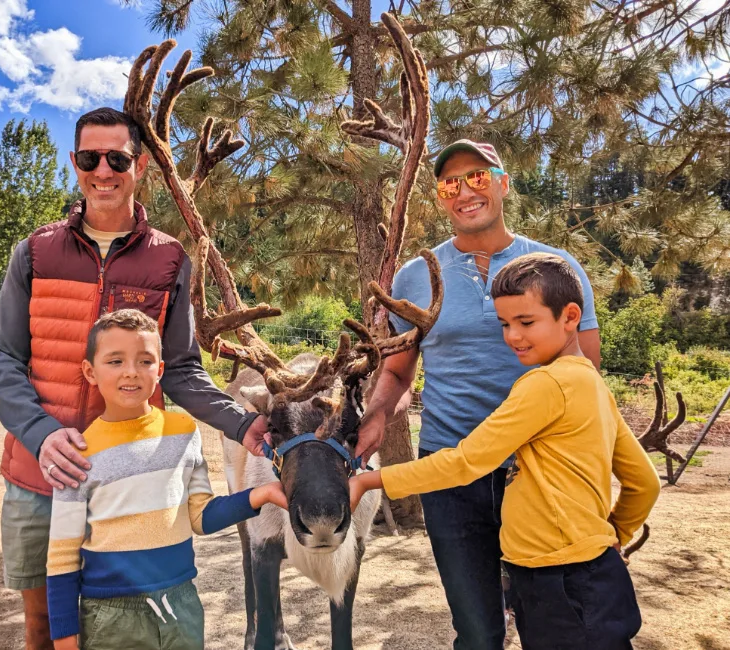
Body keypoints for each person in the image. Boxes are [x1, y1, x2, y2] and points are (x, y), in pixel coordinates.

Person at [0, 107, 270, 649]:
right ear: (75, 163)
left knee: (123, 624)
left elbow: (181, 368)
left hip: (133, 480)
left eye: (117, 158)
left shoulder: (168, 260)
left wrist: (241, 424)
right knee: (44, 626)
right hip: (39, 475)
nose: (104, 171)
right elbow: (3, 357)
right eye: (91, 158)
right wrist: (43, 436)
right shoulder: (35, 252)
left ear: (139, 165)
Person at [354, 140, 601, 649]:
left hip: (541, 471)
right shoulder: (414, 276)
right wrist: (377, 416)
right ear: (440, 197)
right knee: (478, 630)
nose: (464, 191)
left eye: (478, 177)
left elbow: (587, 371)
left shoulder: (557, 267)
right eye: (450, 183)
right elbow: (398, 374)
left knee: (551, 625)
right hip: (449, 470)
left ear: (504, 183)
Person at [351, 253, 660, 649]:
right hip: (590, 574)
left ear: (570, 318)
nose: (512, 336)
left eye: (526, 322)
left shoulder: (544, 385)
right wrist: (615, 534)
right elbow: (645, 482)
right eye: (504, 324)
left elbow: (466, 462)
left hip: (556, 582)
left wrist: (371, 480)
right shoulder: (594, 386)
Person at [47, 309, 287, 649]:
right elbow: (61, 554)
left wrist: (259, 495)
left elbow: (200, 516)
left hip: (182, 607)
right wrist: (64, 637)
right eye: (115, 361)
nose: (131, 372)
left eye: (145, 361)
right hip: (111, 617)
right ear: (90, 371)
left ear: (160, 370)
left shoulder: (184, 433)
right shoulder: (76, 453)